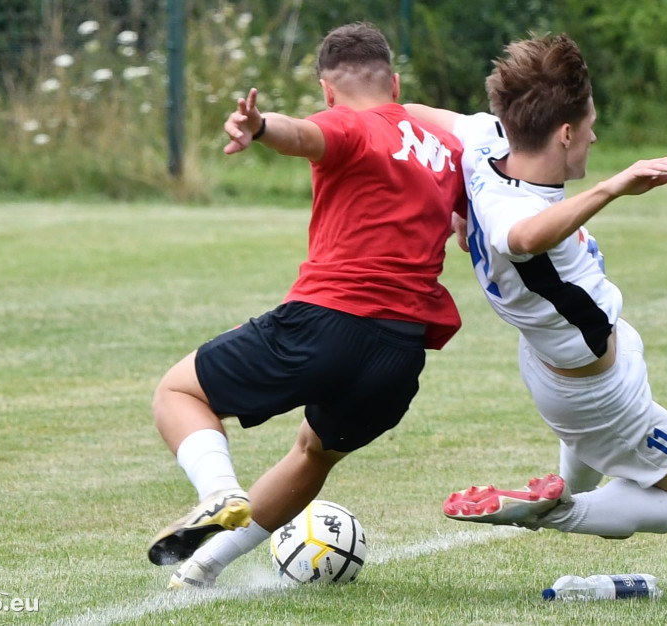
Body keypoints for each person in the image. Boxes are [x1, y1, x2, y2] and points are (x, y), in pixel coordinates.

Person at [147, 21, 466, 589]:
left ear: (326, 90)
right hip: (400, 353)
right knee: (314, 452)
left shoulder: (348, 123)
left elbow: (304, 136)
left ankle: (219, 491)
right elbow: (470, 223)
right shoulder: (446, 148)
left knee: (177, 391)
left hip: (329, 323)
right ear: (394, 83)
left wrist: (261, 126)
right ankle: (202, 568)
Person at [405, 33, 667, 538]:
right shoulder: (521, 213)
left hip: (557, 363)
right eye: (592, 126)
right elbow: (521, 237)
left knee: (588, 454)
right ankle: (555, 513)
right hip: (596, 393)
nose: (595, 139)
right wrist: (612, 187)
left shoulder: (486, 140)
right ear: (567, 134)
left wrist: (456, 201)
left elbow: (409, 113)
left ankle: (559, 491)